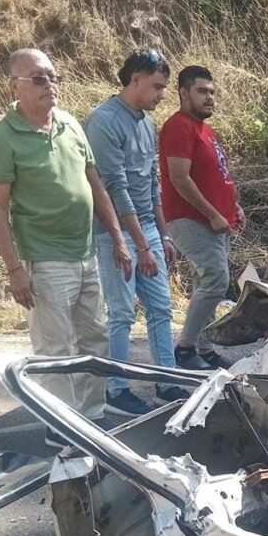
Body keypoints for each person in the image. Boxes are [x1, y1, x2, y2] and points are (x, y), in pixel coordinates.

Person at [0, 48, 133, 447]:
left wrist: (117, 239)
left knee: (93, 339)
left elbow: (94, 185)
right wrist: (15, 269)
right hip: (44, 259)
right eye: (39, 78)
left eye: (53, 76)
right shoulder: (1, 137)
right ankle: (60, 426)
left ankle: (92, 417)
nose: (50, 85)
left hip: (86, 255)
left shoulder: (69, 125)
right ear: (15, 85)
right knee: (54, 348)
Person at [85, 48, 187, 417]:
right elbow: (115, 187)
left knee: (161, 308)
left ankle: (167, 382)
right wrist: (140, 245)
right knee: (123, 313)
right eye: (157, 86)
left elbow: (152, 183)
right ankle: (116, 388)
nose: (162, 94)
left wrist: (163, 236)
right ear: (136, 79)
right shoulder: (103, 121)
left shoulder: (146, 122)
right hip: (116, 233)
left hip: (146, 231)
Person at [158, 64, 244, 370]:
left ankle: (204, 349)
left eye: (212, 92)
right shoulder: (179, 126)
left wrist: (233, 208)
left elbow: (216, 175)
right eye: (201, 91)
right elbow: (179, 178)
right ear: (183, 93)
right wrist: (212, 213)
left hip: (216, 220)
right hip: (190, 219)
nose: (209, 98)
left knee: (205, 283)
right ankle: (185, 349)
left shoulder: (207, 130)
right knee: (216, 279)